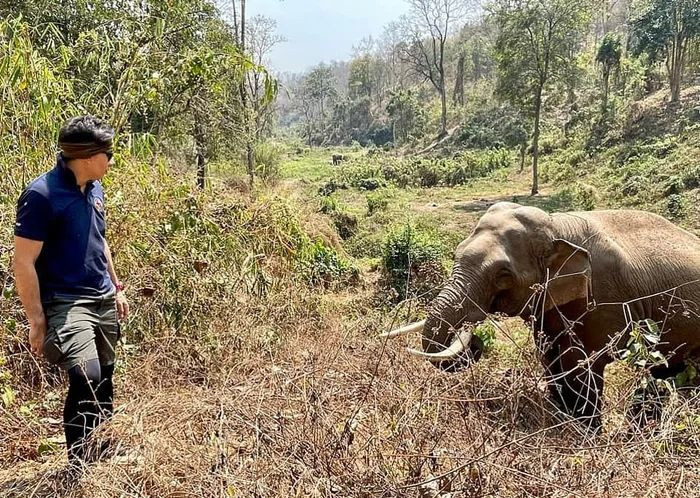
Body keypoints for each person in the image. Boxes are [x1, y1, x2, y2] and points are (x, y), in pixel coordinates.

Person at [12, 115, 129, 463]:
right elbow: (23, 262)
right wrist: (36, 320)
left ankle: (102, 451)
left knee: (105, 377)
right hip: (66, 301)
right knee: (86, 375)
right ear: (88, 156)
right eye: (107, 153)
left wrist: (117, 286)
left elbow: (100, 241)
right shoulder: (42, 195)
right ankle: (79, 463)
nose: (111, 160)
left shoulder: (95, 188)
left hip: (102, 296)